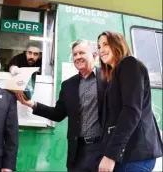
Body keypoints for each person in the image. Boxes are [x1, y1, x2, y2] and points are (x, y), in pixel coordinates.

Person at [17, 39, 107, 171]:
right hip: (78, 151)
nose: (77, 57)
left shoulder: (108, 78)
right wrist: (32, 104)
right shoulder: (68, 85)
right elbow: (58, 114)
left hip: (102, 149)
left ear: (94, 55)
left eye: (81, 53)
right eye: (75, 54)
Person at [97, 31, 163, 172]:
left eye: (105, 44)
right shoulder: (116, 72)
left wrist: (110, 155)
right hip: (129, 155)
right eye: (99, 46)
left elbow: (131, 111)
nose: (101, 50)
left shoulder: (129, 64)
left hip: (134, 155)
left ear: (118, 44)